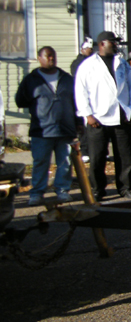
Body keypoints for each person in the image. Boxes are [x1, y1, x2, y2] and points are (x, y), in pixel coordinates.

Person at [74, 31, 131, 200]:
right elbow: (80, 91)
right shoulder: (88, 65)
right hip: (98, 118)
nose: (116, 45)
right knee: (97, 158)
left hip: (121, 117)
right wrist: (87, 114)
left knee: (124, 156)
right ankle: (97, 190)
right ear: (102, 43)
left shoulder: (123, 64)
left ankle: (125, 188)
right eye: (113, 42)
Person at [15, 47, 77, 206]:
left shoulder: (66, 78)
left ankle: (63, 191)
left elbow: (77, 102)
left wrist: (78, 124)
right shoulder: (31, 80)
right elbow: (20, 101)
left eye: (53, 56)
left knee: (65, 163)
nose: (51, 59)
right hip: (42, 131)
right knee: (41, 162)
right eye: (47, 56)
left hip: (65, 129)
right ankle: (37, 193)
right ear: (39, 58)